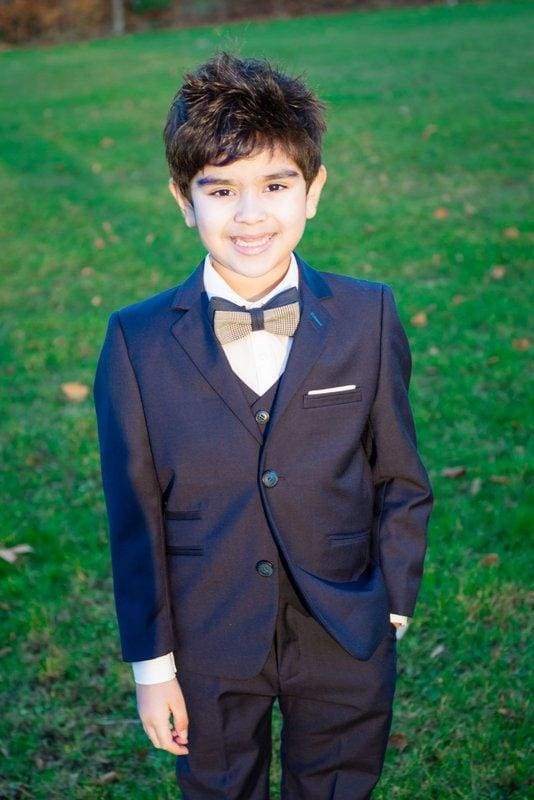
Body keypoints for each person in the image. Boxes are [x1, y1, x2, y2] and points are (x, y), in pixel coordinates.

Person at [93, 50, 434, 799]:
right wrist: (152, 667)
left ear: (314, 191)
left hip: (343, 629)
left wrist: (391, 610)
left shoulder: (368, 317)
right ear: (185, 200)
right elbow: (133, 516)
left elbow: (401, 477)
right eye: (221, 190)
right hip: (206, 641)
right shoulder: (136, 341)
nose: (250, 216)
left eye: (276, 186)